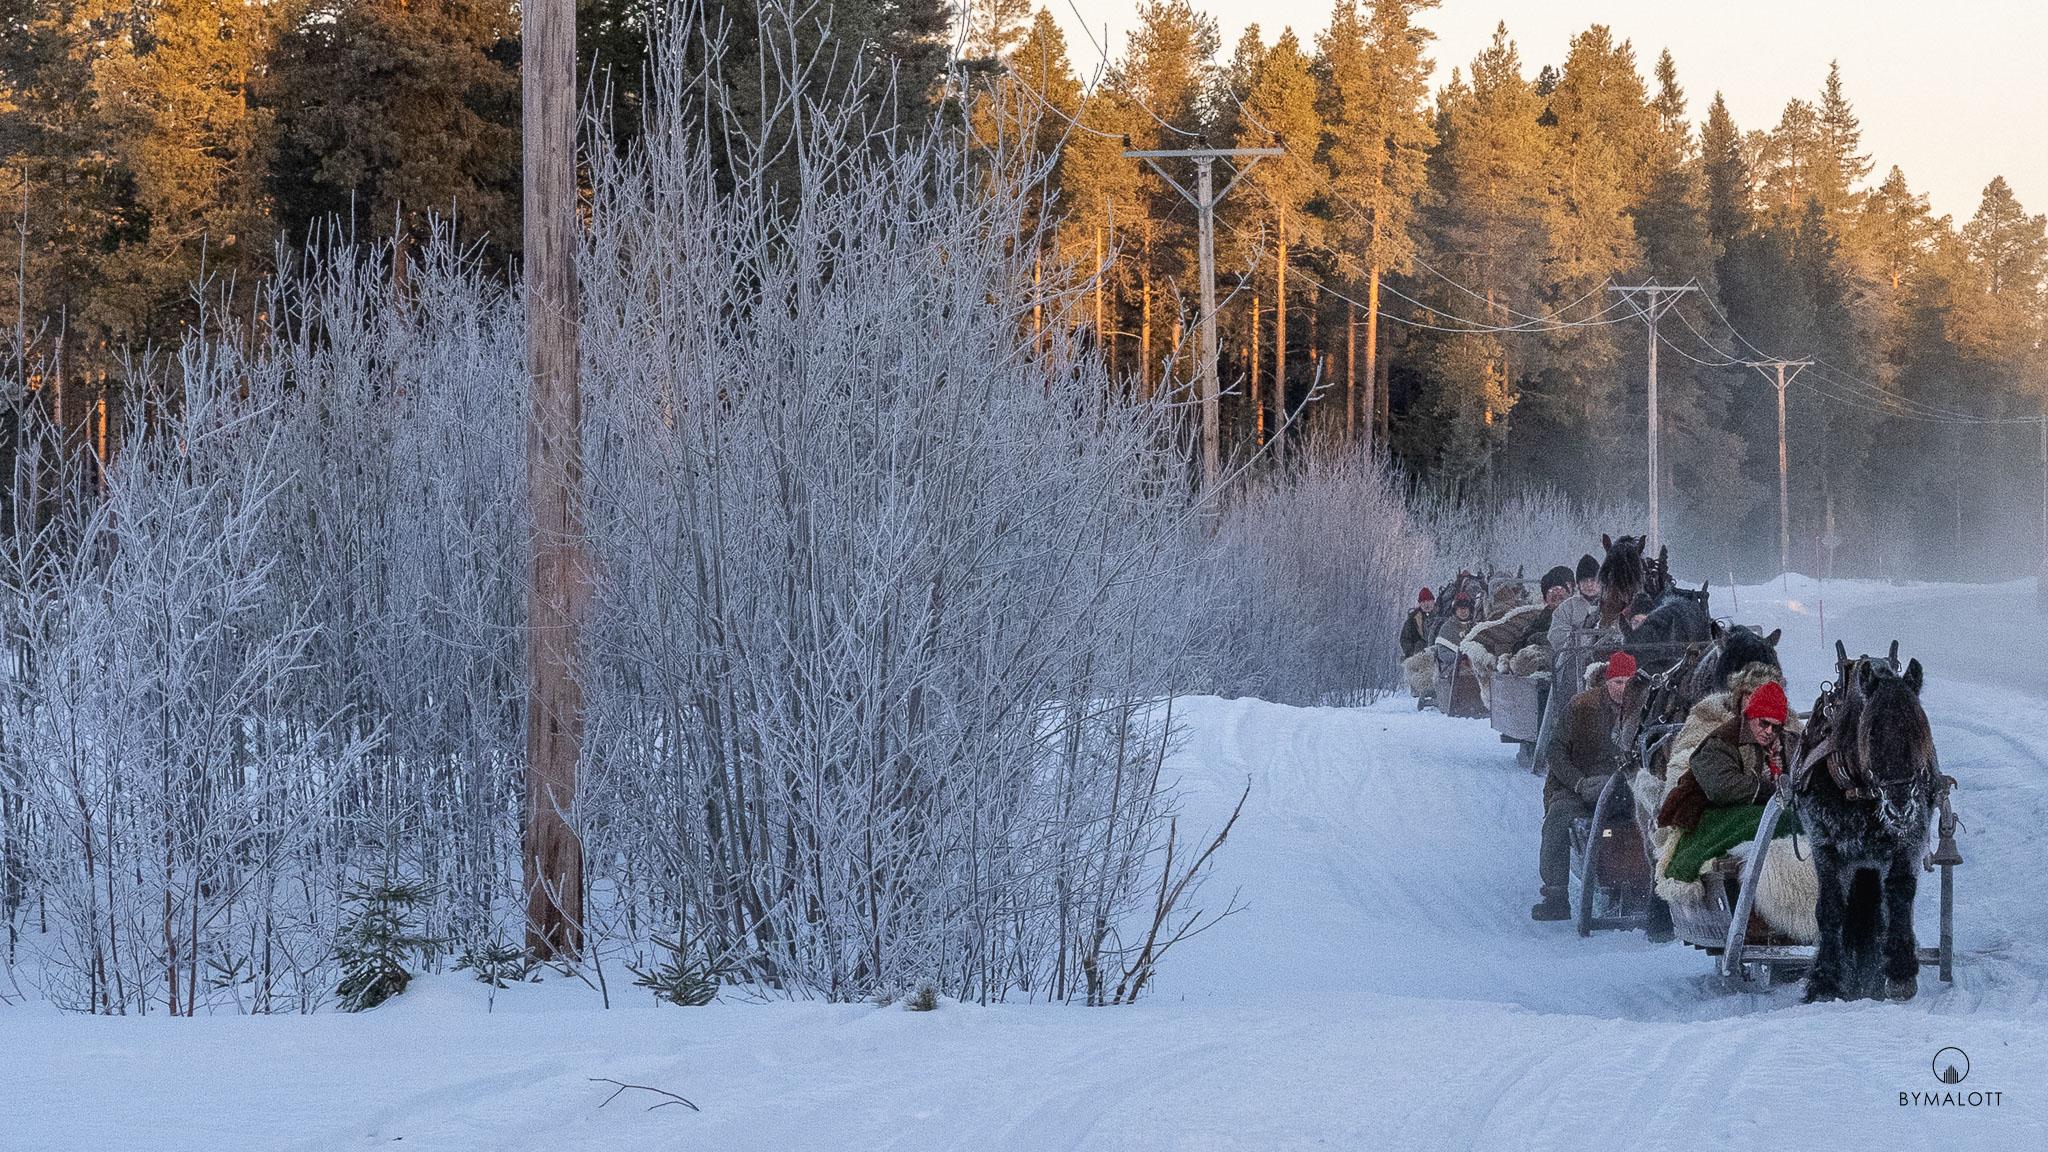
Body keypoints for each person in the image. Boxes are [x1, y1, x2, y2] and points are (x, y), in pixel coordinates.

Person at [1533, 651, 1637, 920]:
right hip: (1580, 784)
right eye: (1617, 682)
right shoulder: (1582, 706)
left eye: (1629, 683)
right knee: (1558, 820)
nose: (1623, 689)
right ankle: (1556, 895)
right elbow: (1555, 751)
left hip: (1627, 788)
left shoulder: (1644, 708)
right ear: (1606, 681)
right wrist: (1579, 783)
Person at [1689, 680, 1790, 807]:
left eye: (1776, 727)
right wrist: (1769, 790)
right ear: (1751, 716)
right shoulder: (1722, 741)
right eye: (1764, 723)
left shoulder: (1786, 741)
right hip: (1709, 812)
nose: (1769, 731)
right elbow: (1721, 788)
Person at [1546, 553, 1603, 653]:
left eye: (1593, 580)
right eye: (1585, 581)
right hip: (1574, 659)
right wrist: (1580, 638)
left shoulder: (1612, 604)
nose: (1589, 585)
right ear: (1578, 584)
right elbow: (1556, 636)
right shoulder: (1567, 607)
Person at [1399, 588, 1435, 659]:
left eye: (1428, 600)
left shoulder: (1442, 615)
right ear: (1419, 604)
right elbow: (1405, 639)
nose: (1426, 604)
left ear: (1433, 601)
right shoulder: (1412, 621)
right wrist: (1413, 652)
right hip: (1419, 657)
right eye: (1423, 601)